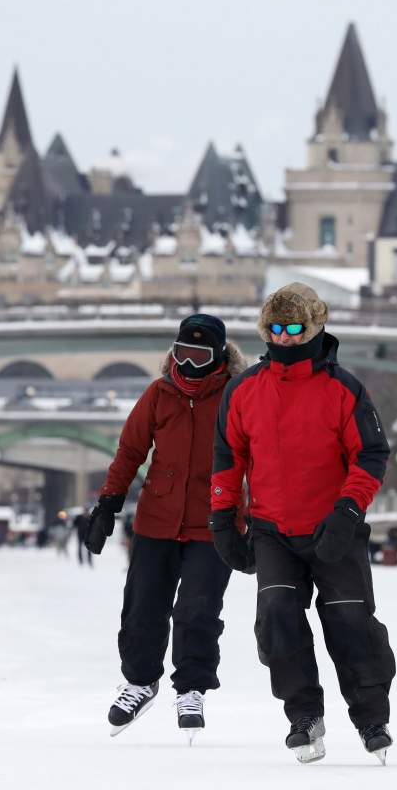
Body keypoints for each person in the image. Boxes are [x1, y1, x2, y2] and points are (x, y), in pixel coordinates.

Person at [210, 282, 396, 766]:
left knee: (350, 621)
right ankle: (304, 715)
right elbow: (228, 460)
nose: (286, 337)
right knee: (276, 619)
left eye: (295, 328)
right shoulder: (243, 391)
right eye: (276, 328)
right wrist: (223, 521)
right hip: (272, 530)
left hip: (335, 529)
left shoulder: (345, 389)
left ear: (314, 327)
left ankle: (371, 717)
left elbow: (371, 454)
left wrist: (349, 510)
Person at [83, 314, 245, 742]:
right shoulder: (159, 393)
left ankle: (191, 688)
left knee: (197, 610)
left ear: (219, 358)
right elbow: (131, 450)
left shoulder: (236, 396)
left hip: (215, 523)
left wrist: (257, 519)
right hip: (157, 521)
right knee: (142, 607)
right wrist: (107, 504)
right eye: (183, 355)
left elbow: (261, 458)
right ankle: (140, 682)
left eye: (200, 356)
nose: (189, 366)